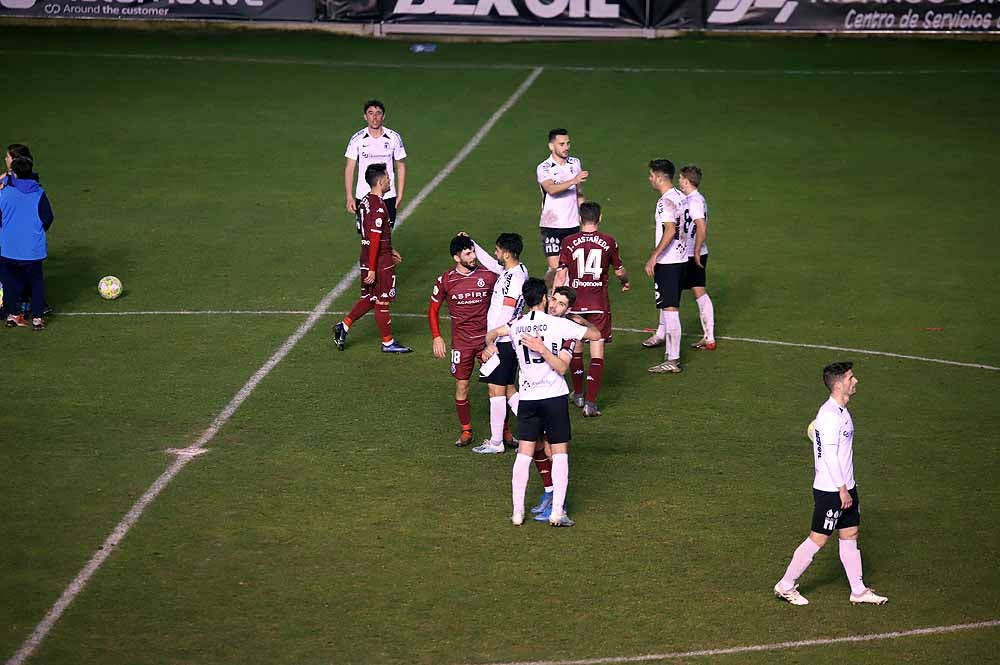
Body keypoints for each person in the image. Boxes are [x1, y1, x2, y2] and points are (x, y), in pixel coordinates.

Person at [483, 278, 602, 527]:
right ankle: (557, 512)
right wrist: (578, 322)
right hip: (554, 397)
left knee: (524, 453)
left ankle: (517, 512)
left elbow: (495, 331)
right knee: (559, 454)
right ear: (545, 299)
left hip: (528, 398)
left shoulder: (517, 326)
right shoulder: (559, 325)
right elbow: (595, 335)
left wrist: (490, 344)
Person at [773, 362, 889, 607]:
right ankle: (785, 585)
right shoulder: (828, 416)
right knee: (818, 538)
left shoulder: (840, 412)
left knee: (850, 534)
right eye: (850, 378)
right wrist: (842, 489)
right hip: (832, 490)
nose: (855, 381)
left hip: (846, 486)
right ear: (839, 385)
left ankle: (858, 590)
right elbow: (829, 456)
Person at [554, 201, 629, 417]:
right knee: (597, 351)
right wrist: (625, 281)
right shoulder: (609, 241)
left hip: (574, 305)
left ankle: (577, 394)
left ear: (579, 218)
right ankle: (591, 403)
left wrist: (555, 300)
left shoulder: (568, 241)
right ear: (600, 218)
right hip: (598, 306)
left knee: (575, 348)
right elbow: (619, 271)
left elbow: (561, 274)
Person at [428, 234, 498, 447]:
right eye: (468, 253)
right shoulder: (446, 280)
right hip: (462, 343)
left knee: (497, 387)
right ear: (456, 258)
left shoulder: (489, 276)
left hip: (487, 341)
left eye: (473, 251)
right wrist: (437, 337)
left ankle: (504, 431)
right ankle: (466, 430)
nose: (473, 256)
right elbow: (433, 310)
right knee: (462, 387)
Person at [333, 163, 411, 353]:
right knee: (382, 300)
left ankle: (343, 326)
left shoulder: (365, 201)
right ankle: (388, 342)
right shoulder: (379, 208)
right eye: (388, 177)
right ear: (381, 181)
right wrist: (374, 268)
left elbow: (366, 234)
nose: (390, 179)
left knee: (370, 297)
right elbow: (375, 238)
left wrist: (389, 249)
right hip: (379, 261)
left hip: (366, 255)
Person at [468, 232, 528, 455]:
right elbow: (493, 265)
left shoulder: (514, 279)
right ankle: (537, 426)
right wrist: (473, 242)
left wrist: (491, 340)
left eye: (498, 250)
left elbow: (507, 310)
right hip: (507, 341)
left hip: (502, 342)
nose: (496, 254)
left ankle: (496, 443)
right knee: (509, 388)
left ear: (507, 253)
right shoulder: (517, 270)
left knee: (496, 390)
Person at [643, 159, 687, 374]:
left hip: (668, 263)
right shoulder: (681, 196)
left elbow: (670, 230)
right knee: (670, 308)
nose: (650, 178)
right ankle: (669, 352)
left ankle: (673, 359)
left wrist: (654, 256)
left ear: (660, 177)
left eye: (651, 175)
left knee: (670, 310)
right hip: (681, 260)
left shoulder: (665, 202)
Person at [0, 155, 54, 330]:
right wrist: (36, 233)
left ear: (13, 173)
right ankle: (37, 319)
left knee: (9, 283)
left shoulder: (5, 192)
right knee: (36, 283)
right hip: (32, 250)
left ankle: (13, 315)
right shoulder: (39, 193)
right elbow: (47, 218)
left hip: (8, 248)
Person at [344, 99, 407, 233]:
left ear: (383, 116)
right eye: (371, 113)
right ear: (365, 116)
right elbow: (350, 168)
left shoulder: (393, 138)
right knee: (366, 237)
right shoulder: (357, 139)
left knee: (386, 237)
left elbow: (401, 166)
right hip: (364, 195)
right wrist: (349, 196)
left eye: (378, 113)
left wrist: (399, 194)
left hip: (388, 196)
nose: (375, 117)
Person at [536, 128, 588, 288]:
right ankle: (548, 298)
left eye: (568, 143)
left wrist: (585, 217)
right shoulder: (544, 168)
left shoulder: (575, 163)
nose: (566, 147)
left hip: (572, 225)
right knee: (554, 268)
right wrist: (573, 180)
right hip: (551, 225)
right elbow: (551, 189)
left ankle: (565, 304)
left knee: (570, 269)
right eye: (562, 144)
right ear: (551, 146)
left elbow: (579, 193)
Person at [678, 165, 716, 351]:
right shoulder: (693, 199)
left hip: (692, 253)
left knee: (674, 291)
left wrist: (696, 250)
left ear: (686, 181)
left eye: (680, 178)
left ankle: (709, 337)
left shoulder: (695, 201)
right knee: (697, 291)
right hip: (690, 252)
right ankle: (708, 338)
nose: (678, 181)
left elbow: (701, 226)